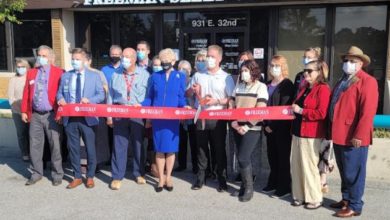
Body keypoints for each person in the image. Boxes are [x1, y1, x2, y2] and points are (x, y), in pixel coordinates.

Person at [328, 46, 378, 218]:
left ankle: (355, 205)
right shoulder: (343, 79)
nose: (348, 64)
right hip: (340, 133)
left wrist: (360, 135)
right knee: (344, 171)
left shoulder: (368, 81)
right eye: (346, 61)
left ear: (361, 63)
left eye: (352, 61)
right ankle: (346, 199)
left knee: (354, 172)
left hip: (354, 136)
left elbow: (368, 112)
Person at [141, 48, 188, 192]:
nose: (165, 64)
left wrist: (184, 106)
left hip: (172, 119)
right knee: (160, 149)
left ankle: (169, 177)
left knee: (171, 149)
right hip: (158, 119)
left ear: (174, 61)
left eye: (168, 61)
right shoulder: (155, 76)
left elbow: (181, 97)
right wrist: (141, 106)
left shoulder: (180, 76)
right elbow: (150, 97)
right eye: (163, 61)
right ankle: (161, 178)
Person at [57, 48, 105, 189]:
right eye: (73, 59)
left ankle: (90, 176)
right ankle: (77, 176)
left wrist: (89, 100)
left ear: (85, 60)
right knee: (73, 149)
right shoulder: (66, 76)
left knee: (90, 148)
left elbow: (101, 95)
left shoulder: (94, 76)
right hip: (71, 118)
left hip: (88, 118)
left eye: (77, 59)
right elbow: (59, 93)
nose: (74, 61)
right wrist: (60, 99)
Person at [190, 45, 235, 192]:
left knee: (219, 149)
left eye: (212, 57)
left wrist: (216, 101)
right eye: (208, 56)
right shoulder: (198, 75)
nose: (209, 59)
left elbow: (230, 98)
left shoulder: (226, 77)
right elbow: (188, 94)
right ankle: (201, 177)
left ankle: (222, 179)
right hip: (201, 116)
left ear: (220, 59)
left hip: (218, 118)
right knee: (201, 149)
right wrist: (193, 89)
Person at [290, 60, 331, 209]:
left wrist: (301, 111)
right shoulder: (305, 87)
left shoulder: (323, 89)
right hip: (297, 132)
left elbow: (321, 113)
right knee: (296, 166)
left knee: (309, 167)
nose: (305, 73)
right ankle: (299, 195)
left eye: (310, 71)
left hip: (311, 134)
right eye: (304, 70)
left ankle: (314, 197)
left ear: (319, 72)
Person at [107, 48, 150, 190]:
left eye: (126, 57)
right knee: (119, 145)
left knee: (138, 145)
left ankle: (139, 173)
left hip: (137, 113)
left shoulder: (145, 75)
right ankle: (117, 176)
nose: (123, 59)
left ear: (134, 58)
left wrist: (147, 114)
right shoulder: (116, 75)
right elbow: (111, 97)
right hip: (120, 112)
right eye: (122, 56)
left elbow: (149, 97)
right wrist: (109, 115)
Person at [21, 45, 64, 186]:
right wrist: (23, 111)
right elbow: (26, 92)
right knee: (35, 145)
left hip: (52, 114)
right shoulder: (32, 73)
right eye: (39, 55)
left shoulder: (59, 72)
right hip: (35, 115)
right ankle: (36, 173)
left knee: (55, 145)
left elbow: (63, 93)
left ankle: (57, 174)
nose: (40, 58)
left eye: (44, 55)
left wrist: (61, 113)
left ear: (51, 58)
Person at [229, 60, 268, 202]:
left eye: (246, 70)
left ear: (253, 71)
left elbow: (261, 109)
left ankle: (249, 188)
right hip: (236, 126)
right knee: (241, 157)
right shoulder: (238, 86)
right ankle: (244, 187)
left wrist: (247, 126)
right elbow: (231, 104)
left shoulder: (260, 87)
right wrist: (233, 122)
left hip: (252, 128)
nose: (243, 73)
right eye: (242, 70)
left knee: (243, 157)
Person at [263, 55, 294, 198]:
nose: (273, 68)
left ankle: (284, 187)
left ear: (283, 67)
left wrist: (273, 126)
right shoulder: (267, 84)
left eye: (277, 65)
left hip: (281, 129)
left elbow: (284, 109)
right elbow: (262, 106)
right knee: (272, 157)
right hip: (268, 128)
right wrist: (266, 125)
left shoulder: (287, 84)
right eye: (272, 65)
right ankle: (273, 182)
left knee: (282, 158)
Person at [85, 52, 111, 170]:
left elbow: (105, 91)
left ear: (89, 60)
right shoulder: (72, 74)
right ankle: (85, 162)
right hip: (81, 111)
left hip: (97, 109)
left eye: (83, 60)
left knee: (99, 138)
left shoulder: (98, 73)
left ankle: (99, 162)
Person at [175, 60, 198, 173]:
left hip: (193, 117)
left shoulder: (194, 82)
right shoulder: (175, 81)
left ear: (190, 70)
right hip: (180, 117)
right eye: (181, 69)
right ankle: (181, 164)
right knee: (181, 142)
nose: (184, 71)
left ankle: (195, 166)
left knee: (194, 143)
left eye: (186, 69)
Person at [8, 58, 31, 161]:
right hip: (17, 111)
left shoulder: (31, 78)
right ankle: (25, 153)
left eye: (22, 67)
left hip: (30, 111)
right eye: (18, 67)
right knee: (21, 133)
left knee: (32, 133)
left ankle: (33, 153)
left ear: (27, 67)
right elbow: (11, 97)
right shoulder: (13, 80)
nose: (20, 69)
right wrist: (17, 108)